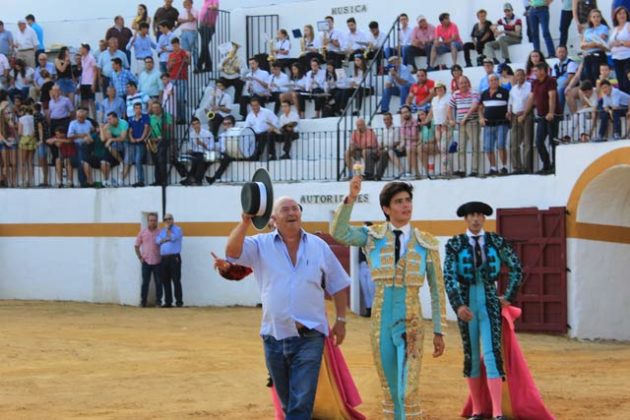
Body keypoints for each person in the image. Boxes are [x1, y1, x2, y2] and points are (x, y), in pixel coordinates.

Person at [331, 178, 446, 419]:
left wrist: (439, 330)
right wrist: (351, 198)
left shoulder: (426, 242)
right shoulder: (372, 236)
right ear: (386, 209)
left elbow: (437, 290)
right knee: (391, 390)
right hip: (381, 323)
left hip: (411, 323)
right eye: (399, 202)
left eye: (408, 200)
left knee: (408, 390)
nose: (406, 206)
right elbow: (338, 231)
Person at [443, 201, 523, 420]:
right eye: (471, 216)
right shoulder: (454, 244)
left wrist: (508, 296)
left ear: (484, 218)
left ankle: (497, 412)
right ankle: (478, 411)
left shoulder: (497, 241)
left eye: (479, 215)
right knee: (470, 355)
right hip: (467, 302)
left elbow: (517, 268)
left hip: (489, 301)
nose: (476, 219)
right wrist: (458, 305)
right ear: (465, 219)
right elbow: (449, 277)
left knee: (491, 354)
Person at [520, 62, 560, 174]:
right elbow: (531, 98)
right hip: (542, 116)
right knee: (539, 142)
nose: (534, 73)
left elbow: (552, 96)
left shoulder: (551, 80)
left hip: (552, 116)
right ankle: (546, 164)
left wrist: (551, 112)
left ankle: (555, 165)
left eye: (536, 71)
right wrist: (524, 114)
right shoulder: (534, 82)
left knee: (553, 142)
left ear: (543, 71)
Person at [448, 76, 481, 177]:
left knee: (475, 146)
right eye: (461, 83)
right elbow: (449, 107)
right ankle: (462, 169)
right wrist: (451, 119)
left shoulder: (474, 92)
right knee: (461, 147)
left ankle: (475, 170)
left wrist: (465, 117)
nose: (463, 85)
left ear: (468, 83)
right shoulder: (456, 94)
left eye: (465, 82)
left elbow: (475, 105)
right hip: (461, 124)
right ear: (458, 85)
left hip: (472, 121)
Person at [479, 74, 510, 175]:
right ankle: (493, 168)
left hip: (502, 123)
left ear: (498, 81)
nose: (494, 82)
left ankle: (504, 167)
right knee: (488, 147)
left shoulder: (505, 92)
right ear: (488, 82)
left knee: (501, 145)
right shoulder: (484, 93)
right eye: (491, 80)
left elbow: (510, 104)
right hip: (488, 124)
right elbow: (480, 108)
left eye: (495, 80)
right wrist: (481, 117)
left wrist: (509, 112)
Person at [507, 69, 534, 173]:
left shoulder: (530, 86)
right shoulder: (513, 89)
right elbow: (510, 102)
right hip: (515, 116)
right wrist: (509, 111)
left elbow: (531, 101)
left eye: (521, 75)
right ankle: (517, 167)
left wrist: (525, 114)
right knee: (514, 143)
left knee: (527, 143)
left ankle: (528, 168)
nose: (519, 77)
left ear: (525, 76)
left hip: (527, 115)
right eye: (517, 75)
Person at [135, 213, 163, 307]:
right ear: (148, 221)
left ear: (157, 221)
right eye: (151, 220)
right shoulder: (142, 232)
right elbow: (136, 246)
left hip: (158, 261)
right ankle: (143, 302)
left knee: (159, 282)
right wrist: (140, 257)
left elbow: (165, 245)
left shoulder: (160, 232)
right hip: (146, 261)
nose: (152, 222)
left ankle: (158, 302)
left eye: (154, 220)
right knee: (145, 283)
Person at [156, 213, 184, 308]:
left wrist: (168, 232)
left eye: (169, 219)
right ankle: (168, 302)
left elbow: (173, 237)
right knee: (165, 280)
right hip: (164, 259)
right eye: (165, 219)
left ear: (173, 219)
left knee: (176, 280)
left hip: (174, 258)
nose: (167, 221)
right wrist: (165, 238)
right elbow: (158, 240)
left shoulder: (178, 229)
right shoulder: (162, 231)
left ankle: (179, 302)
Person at [426, 82, 451, 175]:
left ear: (444, 89)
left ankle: (445, 170)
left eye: (441, 88)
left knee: (444, 147)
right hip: (437, 125)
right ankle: (446, 168)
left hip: (446, 125)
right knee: (441, 147)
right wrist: (426, 120)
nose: (439, 90)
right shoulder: (434, 99)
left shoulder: (448, 97)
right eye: (437, 88)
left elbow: (450, 110)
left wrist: (447, 121)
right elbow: (431, 111)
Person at [181, 116, 213, 185]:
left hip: (205, 152)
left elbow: (211, 148)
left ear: (200, 124)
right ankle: (195, 179)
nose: (196, 126)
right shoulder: (191, 134)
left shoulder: (207, 133)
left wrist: (202, 144)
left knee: (198, 159)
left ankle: (191, 178)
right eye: (194, 124)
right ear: (192, 126)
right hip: (195, 153)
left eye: (197, 123)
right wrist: (189, 150)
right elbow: (192, 147)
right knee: (177, 159)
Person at [580, 8, 609, 85]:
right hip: (587, 56)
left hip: (598, 55)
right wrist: (593, 44)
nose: (596, 18)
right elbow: (582, 45)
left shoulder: (604, 28)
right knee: (587, 76)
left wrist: (587, 44)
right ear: (590, 18)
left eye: (598, 16)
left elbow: (600, 42)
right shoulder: (587, 30)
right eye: (594, 17)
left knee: (596, 75)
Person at [67, 108, 94, 187]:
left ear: (85, 116)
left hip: (88, 145)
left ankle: (84, 181)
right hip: (77, 145)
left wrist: (90, 136)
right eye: (78, 117)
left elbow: (92, 130)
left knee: (82, 160)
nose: (80, 118)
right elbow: (69, 136)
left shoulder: (88, 122)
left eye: (82, 117)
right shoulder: (73, 123)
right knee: (81, 161)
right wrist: (81, 135)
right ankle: (84, 181)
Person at [245, 97, 278, 161]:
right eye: (253, 105)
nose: (255, 107)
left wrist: (272, 127)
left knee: (264, 135)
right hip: (255, 134)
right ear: (251, 106)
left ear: (259, 104)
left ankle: (257, 155)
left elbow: (276, 121)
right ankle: (247, 155)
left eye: (256, 105)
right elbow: (246, 127)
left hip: (266, 132)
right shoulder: (250, 115)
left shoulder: (267, 112)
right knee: (246, 136)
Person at [100, 111, 129, 184]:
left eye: (110, 119)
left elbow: (123, 138)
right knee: (111, 146)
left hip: (128, 141)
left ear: (116, 118)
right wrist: (103, 129)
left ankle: (121, 178)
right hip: (117, 142)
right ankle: (121, 161)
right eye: (108, 119)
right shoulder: (109, 125)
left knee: (128, 158)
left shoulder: (123, 123)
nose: (108, 121)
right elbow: (104, 139)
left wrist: (111, 139)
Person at [148, 101, 173, 186]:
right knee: (156, 161)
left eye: (157, 107)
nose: (155, 109)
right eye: (154, 108)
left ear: (160, 108)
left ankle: (163, 180)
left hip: (164, 140)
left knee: (161, 160)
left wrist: (161, 135)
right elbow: (149, 130)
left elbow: (169, 128)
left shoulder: (166, 116)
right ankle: (157, 180)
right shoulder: (151, 118)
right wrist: (151, 139)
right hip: (154, 141)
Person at [167, 37, 190, 124]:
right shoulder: (171, 55)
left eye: (176, 45)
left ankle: (182, 118)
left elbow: (189, 62)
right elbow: (168, 68)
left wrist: (185, 59)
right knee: (175, 100)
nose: (175, 47)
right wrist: (171, 64)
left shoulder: (183, 52)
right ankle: (177, 118)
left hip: (182, 78)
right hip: (173, 78)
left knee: (180, 99)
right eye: (173, 46)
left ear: (179, 44)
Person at [205, 114, 233, 185]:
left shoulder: (236, 134)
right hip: (223, 153)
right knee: (207, 157)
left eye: (229, 123)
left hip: (233, 154)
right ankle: (199, 176)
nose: (227, 125)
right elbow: (218, 147)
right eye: (225, 124)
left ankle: (215, 177)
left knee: (225, 159)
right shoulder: (221, 136)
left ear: (233, 124)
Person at [127, 102, 150, 186]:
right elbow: (129, 131)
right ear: (134, 109)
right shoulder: (130, 119)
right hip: (134, 142)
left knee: (137, 160)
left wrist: (142, 138)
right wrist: (131, 138)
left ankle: (141, 180)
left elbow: (146, 128)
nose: (138, 110)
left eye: (139, 108)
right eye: (136, 108)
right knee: (135, 160)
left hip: (141, 142)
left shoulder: (145, 117)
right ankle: (140, 179)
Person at [376, 112, 404, 180]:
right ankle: (376, 175)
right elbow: (381, 142)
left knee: (386, 153)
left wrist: (387, 147)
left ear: (391, 119)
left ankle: (378, 175)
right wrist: (380, 147)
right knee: (382, 153)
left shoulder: (396, 128)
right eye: (385, 120)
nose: (386, 121)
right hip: (386, 149)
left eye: (388, 119)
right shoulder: (384, 129)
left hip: (394, 149)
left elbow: (397, 142)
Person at [609, 6, 630, 93]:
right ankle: (625, 104)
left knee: (626, 82)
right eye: (619, 13)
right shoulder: (615, 29)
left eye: (623, 13)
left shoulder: (628, 25)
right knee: (620, 83)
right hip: (616, 58)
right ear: (616, 16)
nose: (622, 15)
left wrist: (621, 43)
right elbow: (610, 44)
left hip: (627, 58)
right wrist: (611, 44)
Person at [198, 0, 220, 73]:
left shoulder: (214, 0)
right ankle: (208, 66)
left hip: (209, 27)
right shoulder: (205, 2)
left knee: (204, 45)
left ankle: (199, 65)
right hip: (202, 26)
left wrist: (211, 7)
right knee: (205, 47)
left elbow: (215, 7)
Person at [17, 105, 36, 187]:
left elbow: (20, 132)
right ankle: (31, 180)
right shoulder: (33, 118)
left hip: (24, 139)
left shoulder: (21, 119)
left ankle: (22, 181)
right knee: (29, 162)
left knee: (22, 162)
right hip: (32, 139)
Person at [177, 0, 199, 70]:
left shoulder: (195, 11)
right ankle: (186, 68)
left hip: (191, 32)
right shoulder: (182, 11)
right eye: (185, 3)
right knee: (185, 51)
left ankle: (196, 67)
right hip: (183, 32)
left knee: (194, 50)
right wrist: (187, 20)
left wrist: (189, 11)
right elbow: (179, 20)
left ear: (191, 3)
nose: (185, 4)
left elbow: (192, 19)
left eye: (187, 2)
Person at [77, 44, 97, 119]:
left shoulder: (91, 58)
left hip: (90, 82)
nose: (80, 50)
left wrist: (94, 83)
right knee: (84, 101)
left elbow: (95, 71)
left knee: (91, 101)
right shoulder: (82, 58)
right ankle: (86, 118)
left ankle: (94, 119)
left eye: (81, 48)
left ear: (85, 49)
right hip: (83, 82)